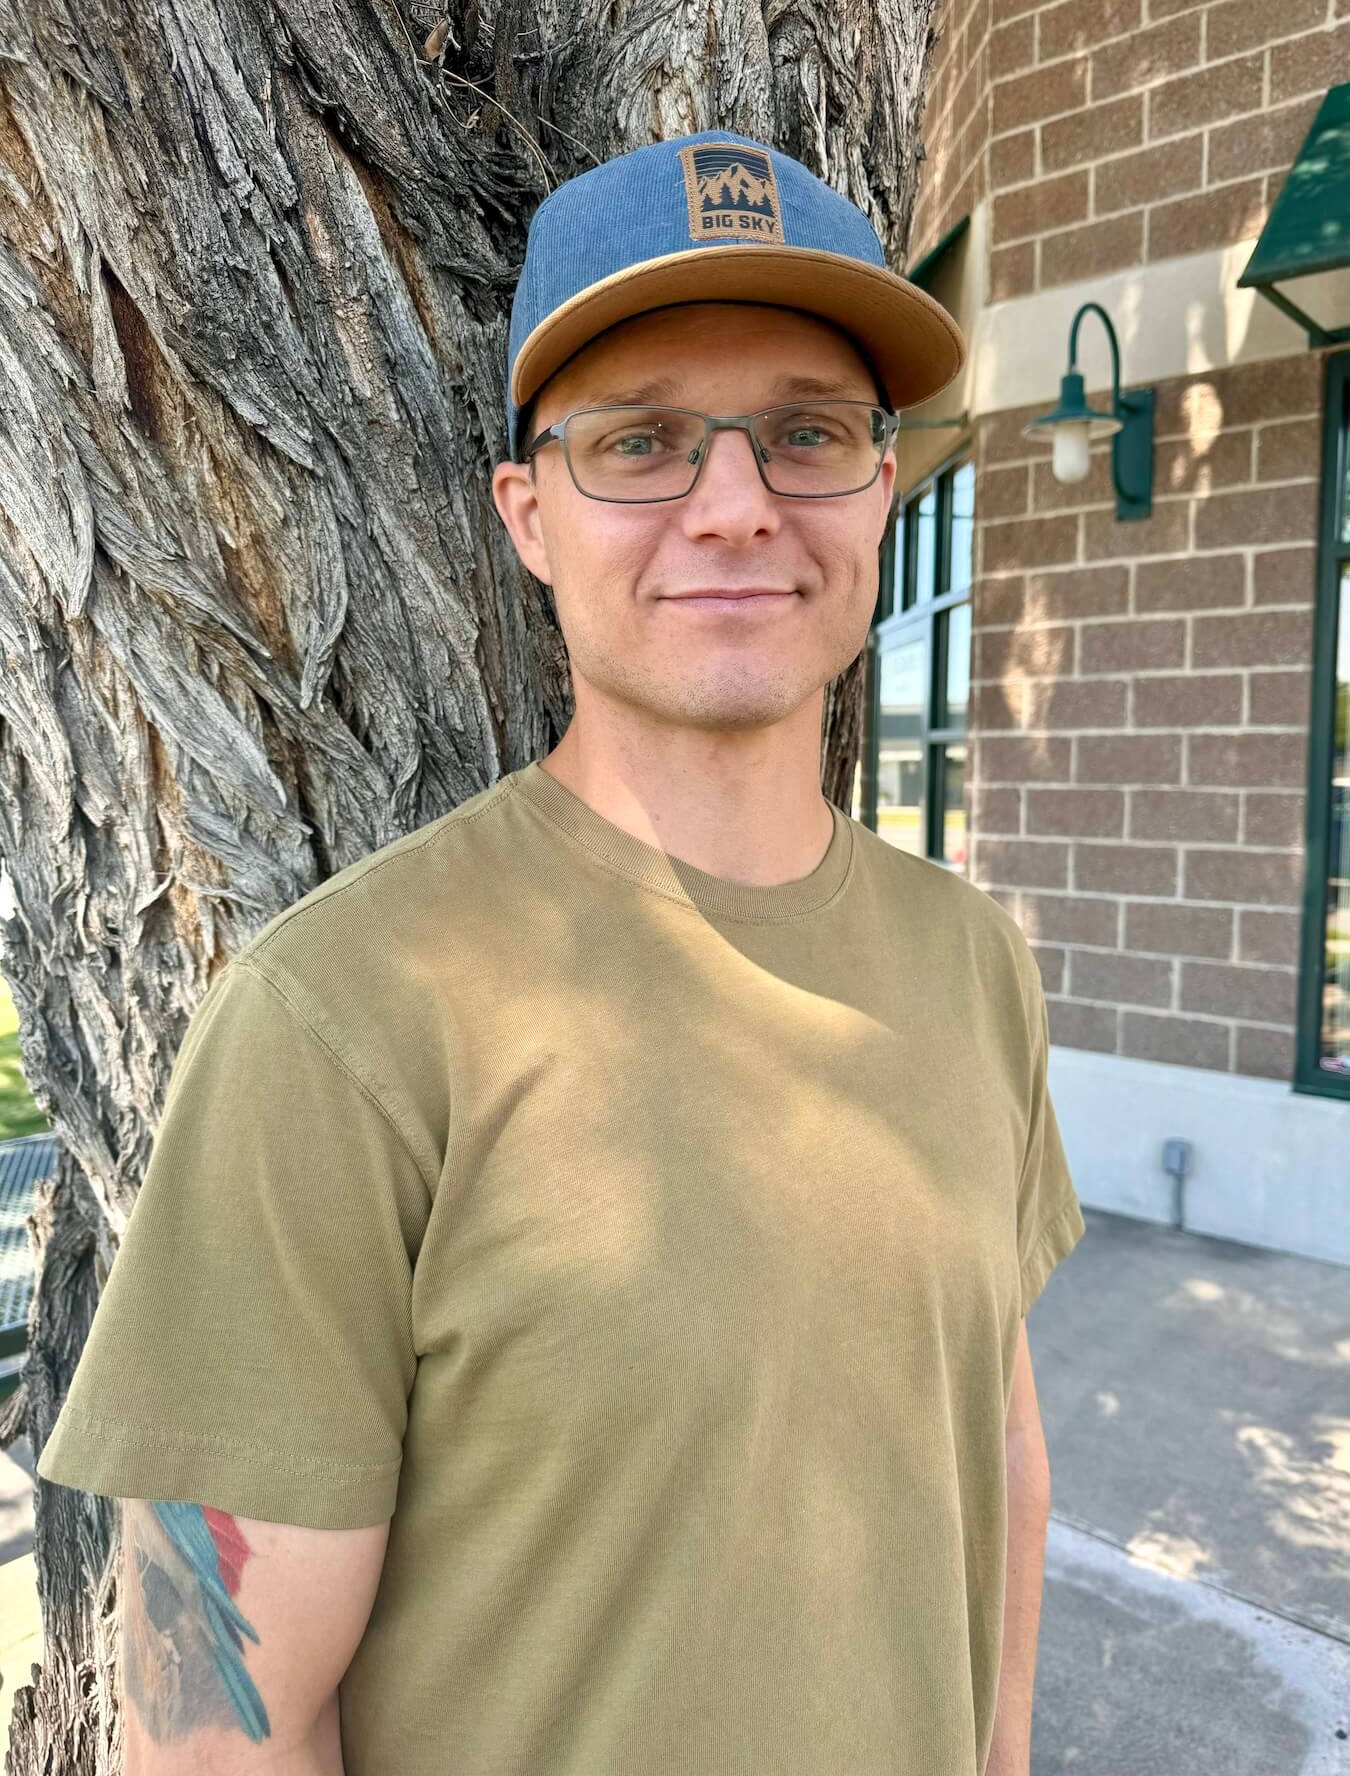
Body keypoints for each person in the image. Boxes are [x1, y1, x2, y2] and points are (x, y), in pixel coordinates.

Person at [37, 129, 1085, 1776]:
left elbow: (995, 1449)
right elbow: (213, 1723)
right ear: (529, 517)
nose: (734, 508)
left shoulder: (970, 963)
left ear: (882, 491)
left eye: (805, 434)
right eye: (642, 443)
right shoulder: (343, 1019)